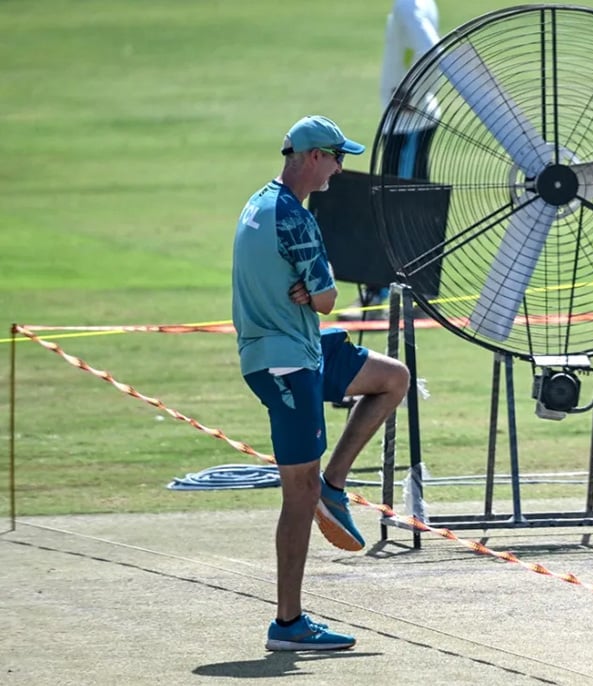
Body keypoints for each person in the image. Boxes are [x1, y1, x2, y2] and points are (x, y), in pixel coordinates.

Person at [233, 115, 411, 650]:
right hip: (287, 363)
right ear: (313, 158)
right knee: (296, 493)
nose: (340, 167)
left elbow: (315, 299)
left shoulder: (260, 203)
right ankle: (288, 625)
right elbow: (329, 296)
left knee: (392, 378)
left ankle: (335, 485)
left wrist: (310, 300)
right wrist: (313, 298)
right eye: (338, 157)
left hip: (300, 346)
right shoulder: (296, 220)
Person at [339, 0, 442, 321]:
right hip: (406, 121)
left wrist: (413, 92)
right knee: (399, 206)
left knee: (399, 209)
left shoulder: (407, 5)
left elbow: (435, 54)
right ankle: (405, 293)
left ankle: (396, 296)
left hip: (409, 122)